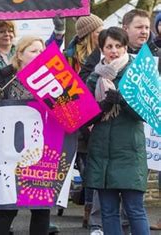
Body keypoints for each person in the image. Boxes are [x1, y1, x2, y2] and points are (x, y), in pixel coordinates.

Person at [85, 27, 150, 235]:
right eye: (109, 46)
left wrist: (122, 100)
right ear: (102, 49)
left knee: (134, 210)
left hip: (129, 151)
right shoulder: (94, 78)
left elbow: (146, 113)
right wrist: (102, 107)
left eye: (118, 46)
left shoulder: (137, 74)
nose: (114, 51)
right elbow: (85, 117)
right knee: (108, 212)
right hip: (101, 153)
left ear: (125, 47)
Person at [0, 36, 50, 235]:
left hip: (39, 151)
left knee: (40, 208)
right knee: (7, 206)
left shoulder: (51, 80)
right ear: (20, 55)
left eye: (41, 51)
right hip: (10, 152)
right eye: (33, 51)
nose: (39, 55)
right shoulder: (5, 80)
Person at [63, 14, 104, 230]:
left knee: (96, 168)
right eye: (98, 31)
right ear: (88, 35)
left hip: (100, 115)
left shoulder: (107, 52)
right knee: (88, 168)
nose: (102, 34)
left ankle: (94, 210)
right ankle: (89, 210)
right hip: (80, 118)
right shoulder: (70, 58)